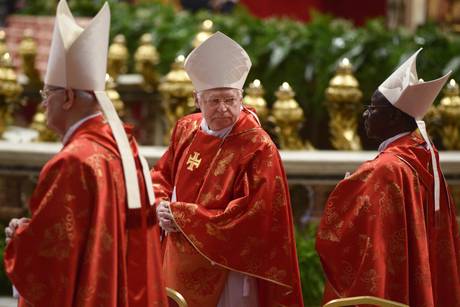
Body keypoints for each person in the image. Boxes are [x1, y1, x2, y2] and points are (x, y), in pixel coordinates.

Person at [3, 1, 167, 306]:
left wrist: (20, 240)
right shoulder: (123, 146)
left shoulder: (73, 161)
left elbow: (53, 261)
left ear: (66, 97)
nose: (42, 105)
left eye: (46, 94)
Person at [152, 31, 304, 307]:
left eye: (230, 100)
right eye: (214, 100)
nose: (223, 109)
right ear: (197, 99)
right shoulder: (186, 128)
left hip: (227, 266)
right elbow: (163, 174)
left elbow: (254, 215)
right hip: (177, 255)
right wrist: (161, 204)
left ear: (241, 97)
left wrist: (183, 217)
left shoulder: (258, 147)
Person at [316, 48, 460, 306]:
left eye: (372, 108)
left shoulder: (385, 169)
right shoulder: (424, 155)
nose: (365, 115)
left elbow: (343, 233)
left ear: (394, 117)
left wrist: (348, 189)